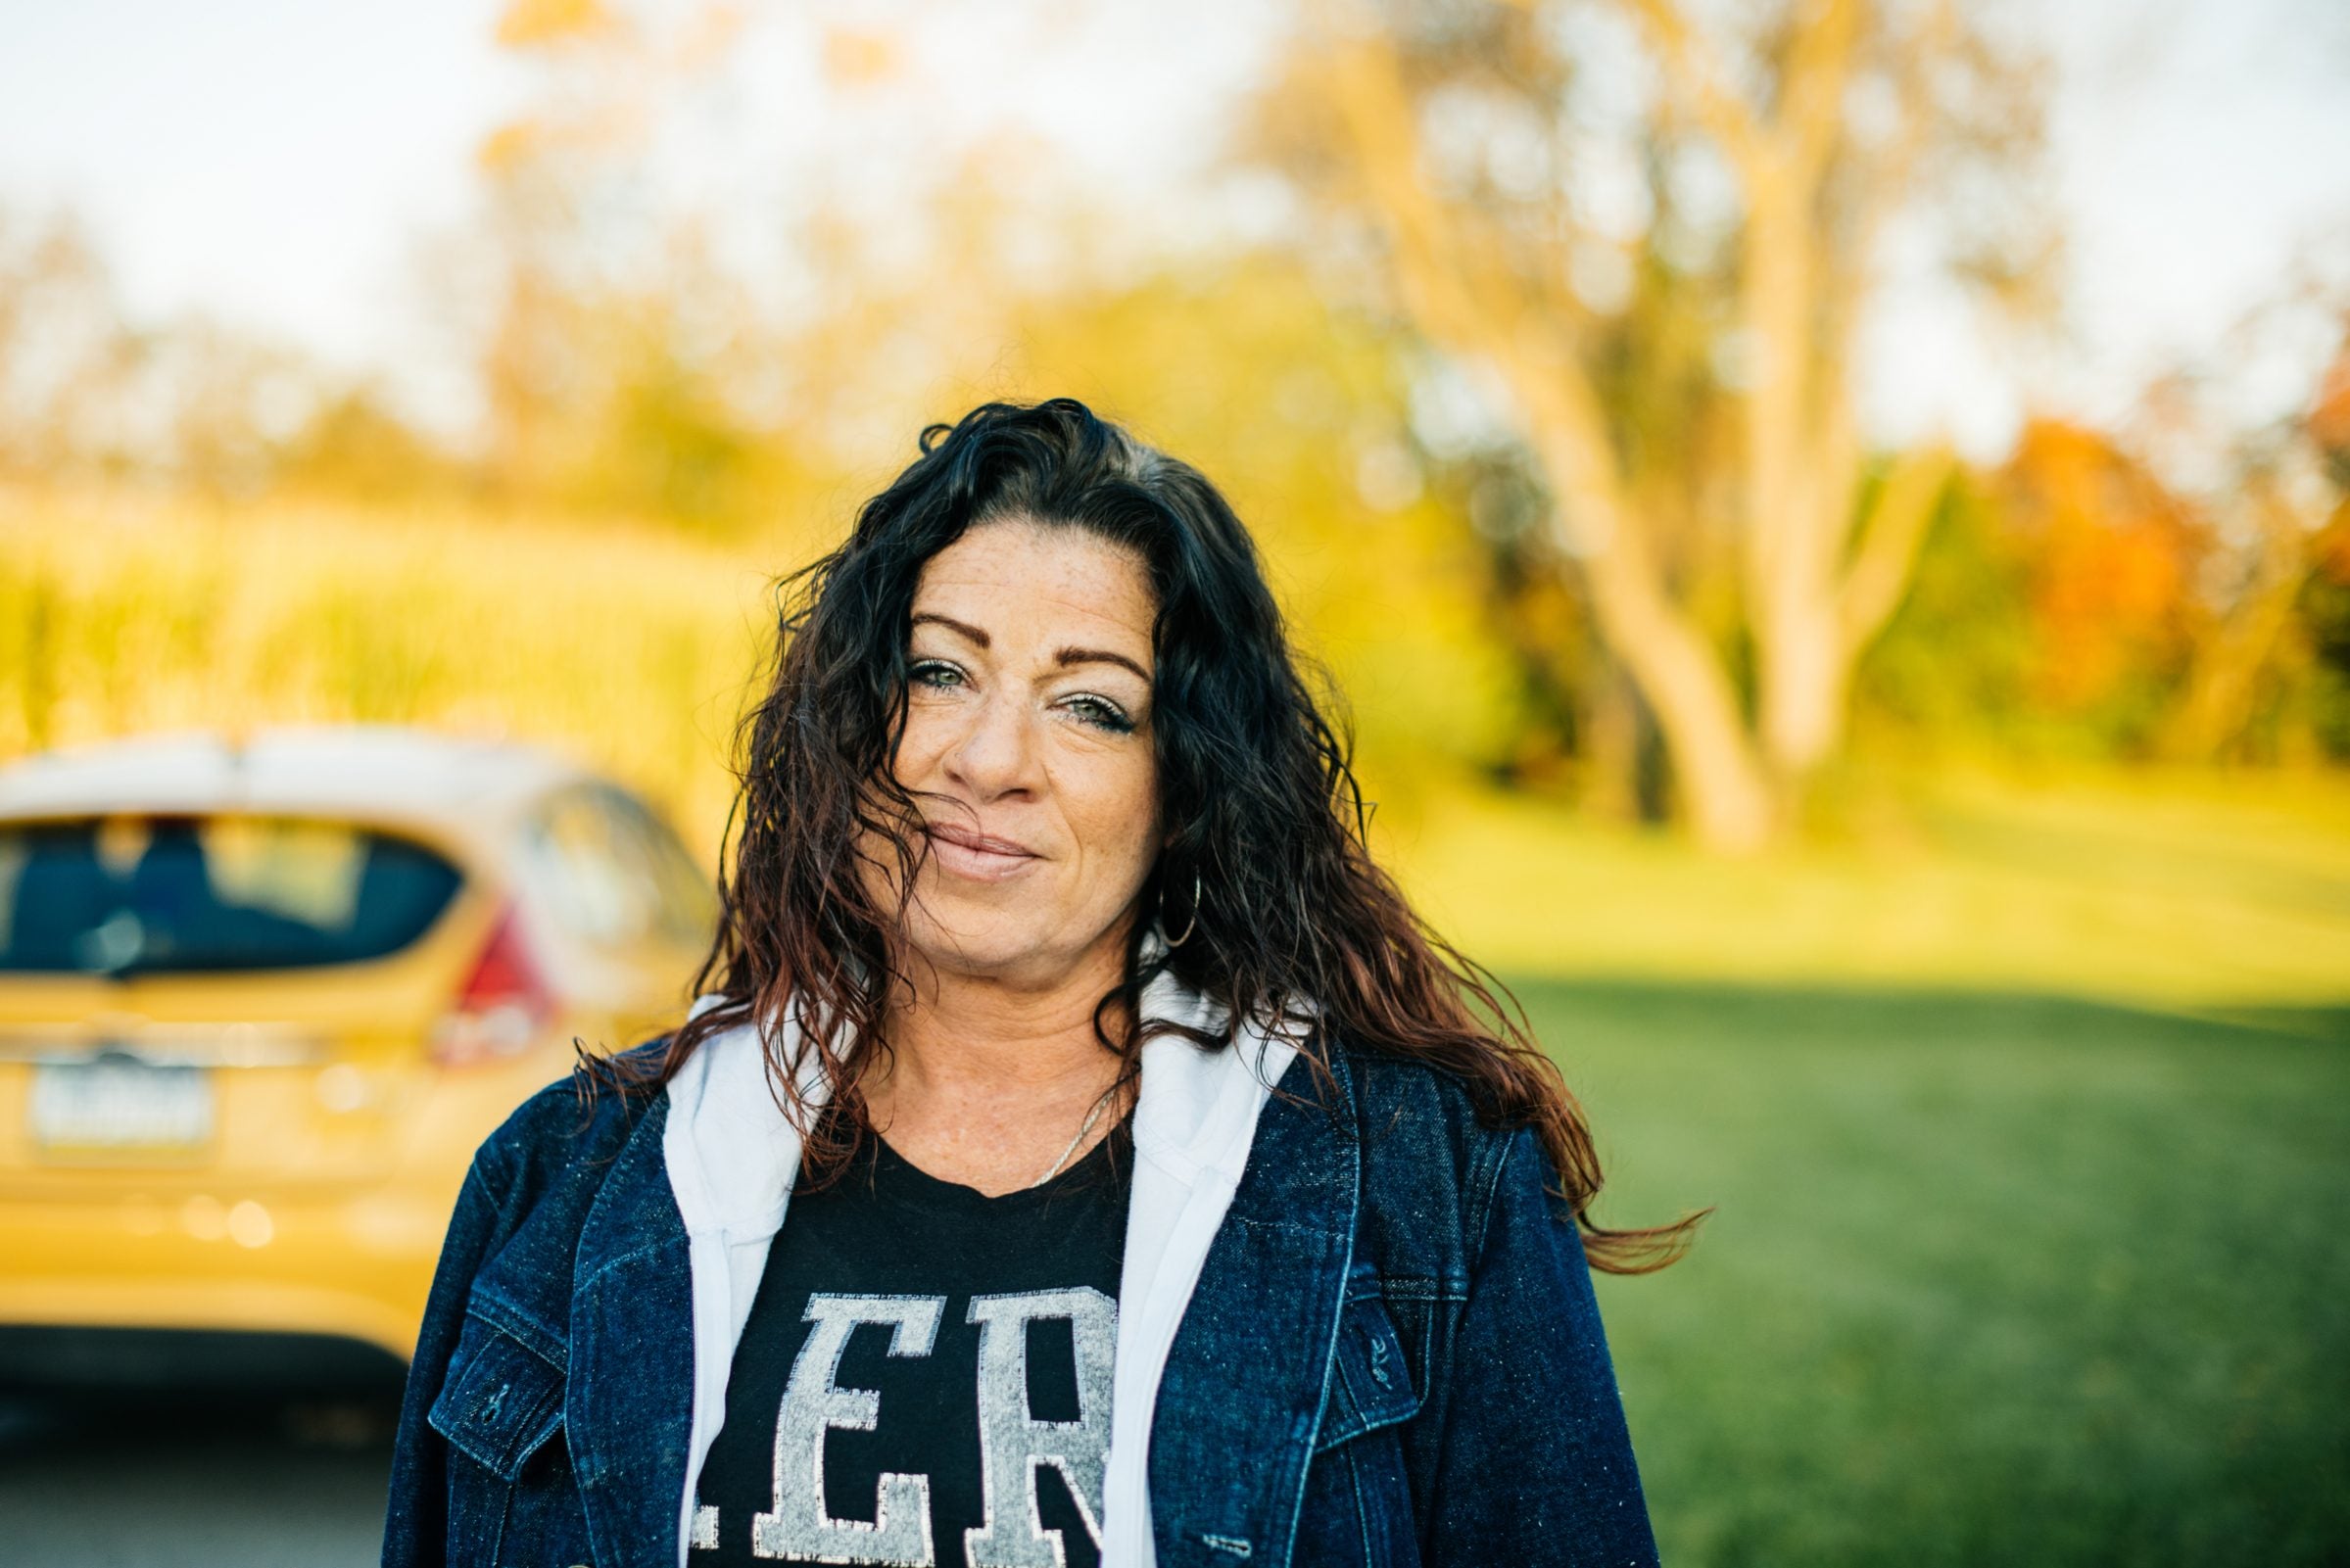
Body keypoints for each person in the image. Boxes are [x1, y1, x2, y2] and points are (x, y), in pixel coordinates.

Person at [380, 397, 1698, 1568]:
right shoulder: (562, 1187)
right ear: (855, 721)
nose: (990, 756)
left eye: (1091, 706)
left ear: (1185, 785)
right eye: (941, 670)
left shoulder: (1422, 1193)